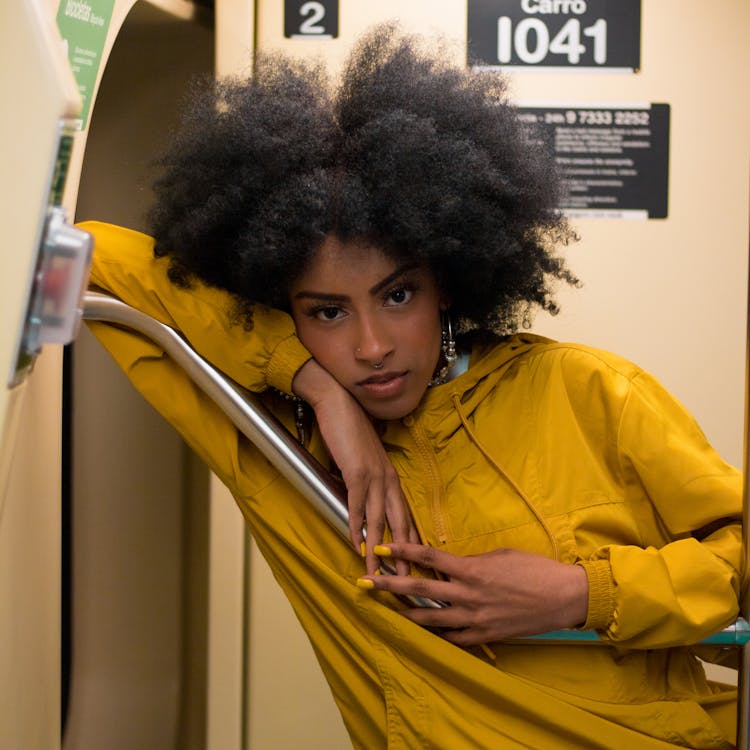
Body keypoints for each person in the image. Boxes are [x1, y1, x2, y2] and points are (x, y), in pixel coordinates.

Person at [80, 24, 743, 749]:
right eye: (326, 313)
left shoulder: (587, 391)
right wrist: (316, 389)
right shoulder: (275, 450)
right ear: (282, 310)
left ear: (448, 282)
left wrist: (581, 593)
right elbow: (92, 257)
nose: (371, 347)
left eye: (398, 296)